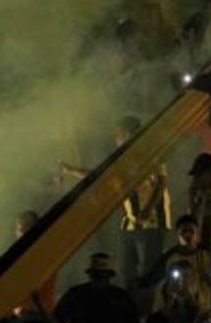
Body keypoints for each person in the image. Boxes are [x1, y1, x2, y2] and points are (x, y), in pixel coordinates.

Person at [61, 116, 171, 287]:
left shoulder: (151, 150)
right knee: (127, 270)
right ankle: (131, 303)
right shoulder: (121, 159)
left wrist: (148, 209)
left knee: (149, 271)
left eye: (118, 134)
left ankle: (144, 307)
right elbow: (99, 177)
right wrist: (71, 170)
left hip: (152, 223)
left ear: (127, 134)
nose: (115, 139)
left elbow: (161, 182)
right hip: (130, 223)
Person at [53, 253, 141, 323]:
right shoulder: (76, 294)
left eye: (103, 276)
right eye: (96, 275)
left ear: (109, 276)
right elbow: (58, 321)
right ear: (90, 275)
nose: (100, 279)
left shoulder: (121, 297)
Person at [138, 215, 211, 314]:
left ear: (197, 233)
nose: (188, 235)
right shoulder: (170, 257)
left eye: (191, 231)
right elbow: (154, 275)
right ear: (178, 234)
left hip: (199, 307)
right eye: (184, 231)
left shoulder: (205, 256)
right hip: (174, 306)